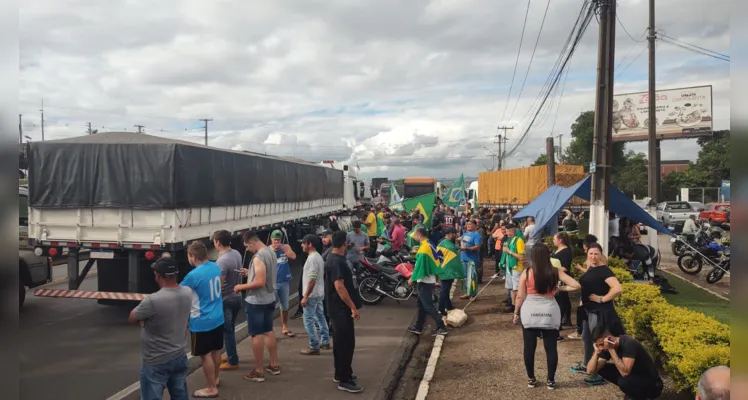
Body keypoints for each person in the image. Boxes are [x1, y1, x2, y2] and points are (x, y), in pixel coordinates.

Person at [513, 245, 580, 390]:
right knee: (551, 348)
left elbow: (520, 296)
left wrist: (516, 312)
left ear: (533, 256)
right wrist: (560, 289)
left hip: (530, 311)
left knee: (529, 348)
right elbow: (576, 285)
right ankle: (551, 380)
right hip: (550, 311)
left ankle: (531, 379)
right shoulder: (555, 271)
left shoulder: (527, 272)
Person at [129, 257, 192, 400]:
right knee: (180, 394)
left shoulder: (152, 300)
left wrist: (144, 320)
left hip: (156, 360)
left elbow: (132, 317)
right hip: (180, 355)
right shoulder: (187, 292)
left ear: (158, 276)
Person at [570, 243, 625, 387]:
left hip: (600, 312)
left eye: (596, 254)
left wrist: (602, 299)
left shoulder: (604, 270)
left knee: (598, 341)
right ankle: (585, 365)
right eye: (590, 253)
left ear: (601, 254)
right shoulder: (591, 267)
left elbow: (617, 288)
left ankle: (595, 373)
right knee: (586, 338)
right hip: (588, 310)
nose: (593, 256)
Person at [234, 231, 280, 382]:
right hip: (270, 297)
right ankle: (274, 365)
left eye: (247, 246)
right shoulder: (270, 251)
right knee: (268, 330)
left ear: (252, 242)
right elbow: (265, 275)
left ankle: (258, 370)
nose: (247, 249)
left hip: (257, 300)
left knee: (256, 334)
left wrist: (241, 286)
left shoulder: (259, 257)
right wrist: (250, 272)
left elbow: (260, 282)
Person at [181, 242, 225, 398]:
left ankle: (211, 387)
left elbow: (179, 294)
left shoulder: (193, 275)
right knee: (216, 350)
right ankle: (216, 378)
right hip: (218, 317)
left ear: (193, 256)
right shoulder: (215, 267)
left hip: (202, 321)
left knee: (205, 355)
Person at [326, 231, 363, 393]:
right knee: (346, 344)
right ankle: (344, 379)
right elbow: (339, 286)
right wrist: (353, 307)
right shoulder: (336, 262)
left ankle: (341, 372)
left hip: (337, 309)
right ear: (344, 244)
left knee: (341, 343)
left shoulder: (334, 259)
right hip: (340, 310)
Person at [587, 325, 664, 399]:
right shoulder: (605, 347)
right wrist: (596, 353)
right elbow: (590, 371)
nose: (602, 347)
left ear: (608, 337)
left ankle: (636, 396)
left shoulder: (628, 343)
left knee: (624, 381)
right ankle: (633, 393)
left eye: (601, 344)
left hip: (653, 385)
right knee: (601, 368)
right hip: (635, 377)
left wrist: (611, 349)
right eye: (598, 345)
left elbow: (625, 372)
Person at [406, 227, 449, 336]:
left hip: (425, 281)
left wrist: (412, 278)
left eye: (415, 235)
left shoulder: (424, 248)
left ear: (419, 235)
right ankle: (418, 327)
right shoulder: (429, 243)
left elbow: (420, 267)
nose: (414, 238)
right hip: (429, 279)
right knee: (422, 304)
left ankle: (442, 326)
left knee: (428, 305)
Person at [213, 230, 244, 371]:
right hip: (237, 296)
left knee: (228, 330)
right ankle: (230, 354)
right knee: (230, 329)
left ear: (218, 242)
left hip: (227, 299)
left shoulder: (222, 261)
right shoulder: (236, 253)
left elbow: (220, 284)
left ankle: (233, 361)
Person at [299, 234, 331, 355]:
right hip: (319, 293)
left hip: (311, 295)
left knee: (308, 320)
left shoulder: (312, 259)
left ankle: (314, 345)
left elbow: (311, 279)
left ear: (309, 244)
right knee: (320, 317)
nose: (302, 245)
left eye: (303, 243)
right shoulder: (318, 257)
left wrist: (305, 296)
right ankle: (325, 341)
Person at [269, 230, 297, 338]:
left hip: (284, 281)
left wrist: (283, 249)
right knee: (270, 306)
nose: (276, 242)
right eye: (275, 240)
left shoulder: (285, 247)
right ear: (271, 239)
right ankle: (269, 329)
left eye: (278, 240)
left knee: (285, 305)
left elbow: (293, 256)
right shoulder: (268, 250)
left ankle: (284, 326)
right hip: (273, 282)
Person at [436, 227, 466, 316]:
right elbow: (454, 261)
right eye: (454, 234)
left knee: (446, 290)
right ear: (450, 234)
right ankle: (441, 309)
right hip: (447, 270)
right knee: (444, 290)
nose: (456, 236)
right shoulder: (448, 245)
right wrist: (460, 272)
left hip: (444, 269)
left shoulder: (443, 243)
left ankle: (448, 306)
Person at [552, 232, 574, 336]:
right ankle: (565, 319)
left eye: (554, 239)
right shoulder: (559, 250)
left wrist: (554, 270)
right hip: (557, 276)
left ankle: (560, 320)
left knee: (561, 299)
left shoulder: (566, 251)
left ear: (560, 240)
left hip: (562, 277)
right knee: (563, 299)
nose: (553, 240)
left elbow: (565, 267)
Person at [501, 223, 525, 314]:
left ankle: (518, 308)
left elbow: (521, 257)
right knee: (511, 288)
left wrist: (509, 252)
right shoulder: (509, 240)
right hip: (509, 268)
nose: (505, 233)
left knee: (516, 289)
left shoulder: (519, 241)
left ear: (511, 231)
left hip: (516, 268)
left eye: (506, 231)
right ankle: (513, 305)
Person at [459, 219, 481, 300]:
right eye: (467, 224)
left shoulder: (476, 235)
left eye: (470, 224)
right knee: (464, 276)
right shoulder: (465, 233)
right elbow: (460, 239)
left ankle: (473, 294)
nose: (468, 226)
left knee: (472, 277)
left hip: (472, 259)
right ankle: (467, 292)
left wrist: (467, 248)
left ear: (475, 226)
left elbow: (477, 246)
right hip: (463, 258)